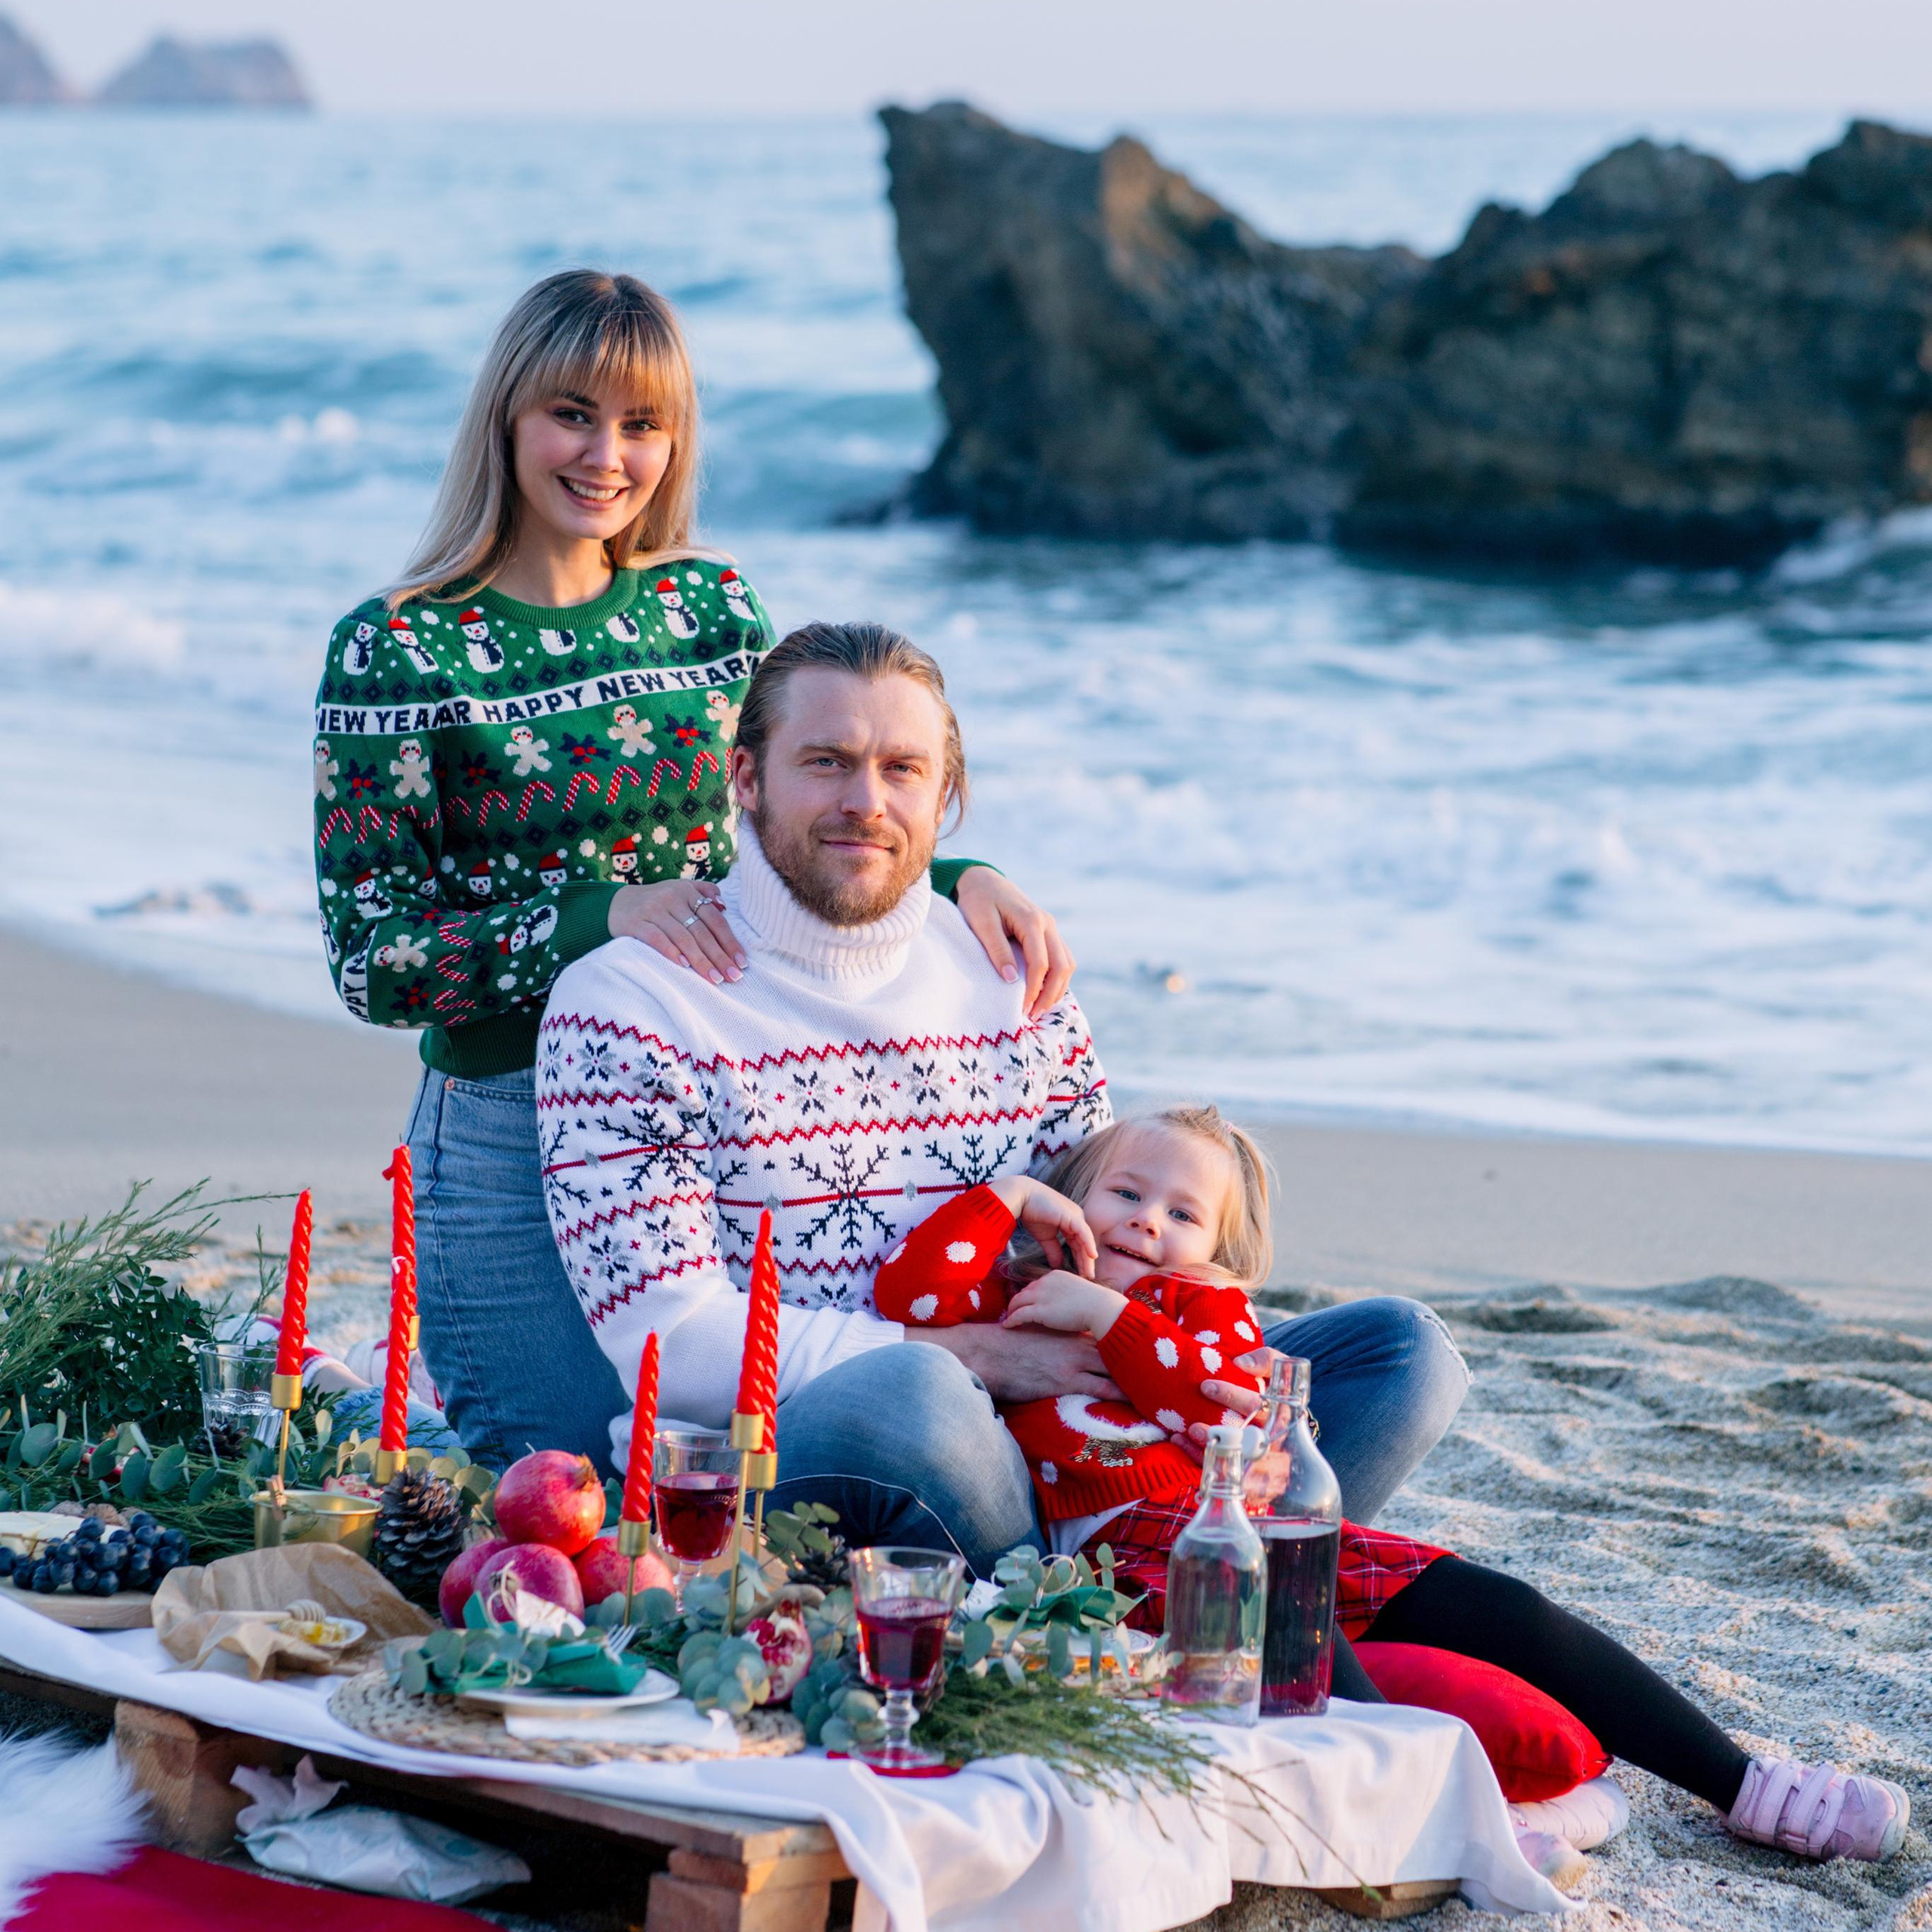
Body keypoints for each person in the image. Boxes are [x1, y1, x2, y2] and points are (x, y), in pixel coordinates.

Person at [312, 272, 1069, 1474]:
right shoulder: (397, 645)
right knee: (558, 1476)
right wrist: (601, 915)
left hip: (700, 1104)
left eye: (642, 425)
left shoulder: (707, 606)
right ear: (507, 417)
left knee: (708, 1460)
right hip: (507, 1121)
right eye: (573, 415)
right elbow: (372, 963)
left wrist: (955, 871)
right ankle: (334, 1394)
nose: (606, 456)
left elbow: (795, 802)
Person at [537, 619, 1470, 1578]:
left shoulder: (1012, 971)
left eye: (902, 769)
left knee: (1401, 1354)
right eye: (825, 762)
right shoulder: (630, 1003)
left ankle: (1165, 1556)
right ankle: (1098, 1597)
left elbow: (1103, 1249)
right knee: (916, 1390)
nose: (865, 801)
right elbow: (675, 1346)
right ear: (745, 777)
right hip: (796, 1449)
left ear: (945, 795)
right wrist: (974, 1353)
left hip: (1060, 1434)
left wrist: (1201, 1358)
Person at [875, 1104, 1909, 1871]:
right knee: (1293, 1633)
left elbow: (1214, 1407)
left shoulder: (1204, 1310)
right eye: (1125, 1194)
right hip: (1114, 1561)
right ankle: (1452, 1817)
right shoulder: (1017, 1293)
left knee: (1500, 1607)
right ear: (1076, 1198)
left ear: (1217, 1249)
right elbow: (907, 1296)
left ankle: (1749, 1784)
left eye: (1184, 1213)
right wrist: (1011, 1199)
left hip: (1242, 1517)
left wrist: (1108, 1318)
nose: (1149, 1223)